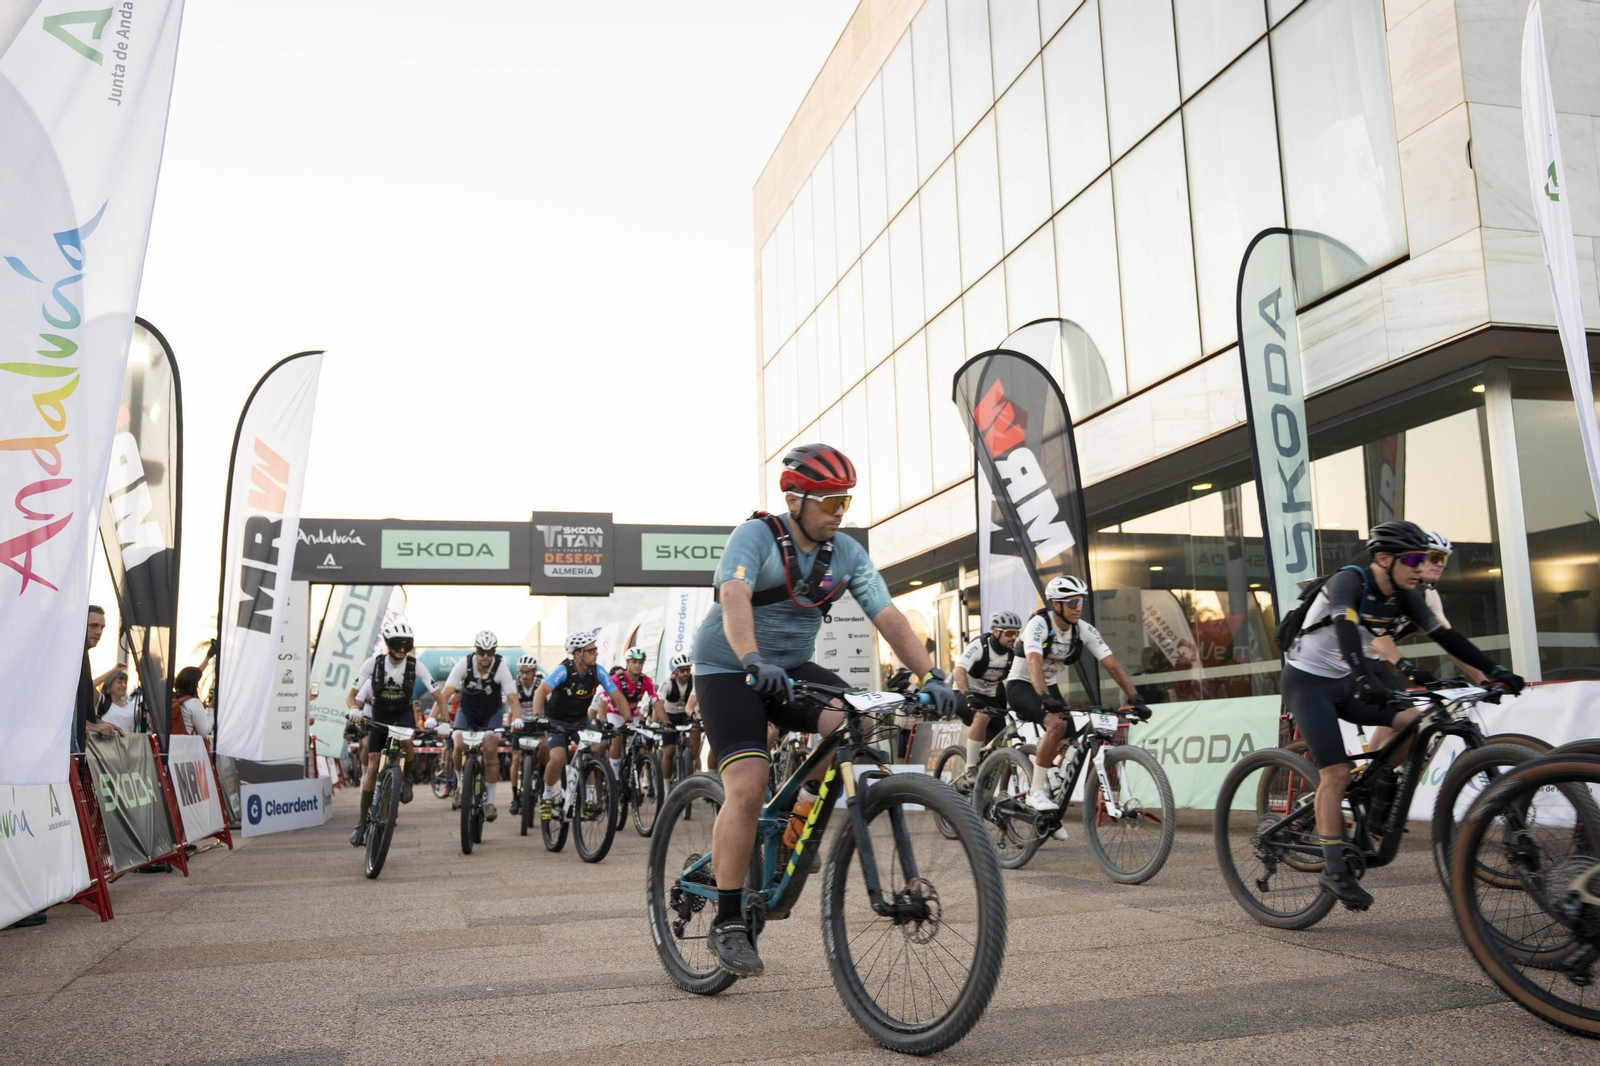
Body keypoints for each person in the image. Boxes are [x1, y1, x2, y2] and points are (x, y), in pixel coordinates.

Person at [693, 443, 959, 977]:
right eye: (830, 503)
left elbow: (888, 615)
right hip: (728, 668)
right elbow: (735, 598)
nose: (839, 513)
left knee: (858, 720)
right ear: (795, 499)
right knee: (747, 784)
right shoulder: (757, 537)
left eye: (846, 502)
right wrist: (749, 656)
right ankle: (725, 921)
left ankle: (797, 824)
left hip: (789, 668)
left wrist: (933, 676)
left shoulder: (846, 554)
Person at [1281, 519, 1524, 910]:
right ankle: (1334, 868)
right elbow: (1345, 629)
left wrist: (1496, 670)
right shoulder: (1349, 581)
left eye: (1424, 558)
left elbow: (1448, 638)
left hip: (1349, 679)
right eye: (1412, 558)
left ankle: (1373, 786)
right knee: (1336, 773)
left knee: (1415, 723)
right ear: (1383, 557)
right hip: (1309, 683)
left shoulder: (1407, 594)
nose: (1420, 565)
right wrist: (1364, 678)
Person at [1008, 576, 1146, 818]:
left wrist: (1136, 698)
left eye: (1081, 601)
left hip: (1048, 687)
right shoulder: (1039, 624)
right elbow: (1033, 661)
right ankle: (1036, 791)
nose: (1078, 607)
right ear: (1056, 604)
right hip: (1022, 685)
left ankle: (1053, 783)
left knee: (1072, 736)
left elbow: (1112, 665)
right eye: (1072, 602)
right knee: (1056, 725)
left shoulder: (1083, 630)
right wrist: (1042, 695)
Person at [346, 621, 449, 846]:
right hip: (380, 716)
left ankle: (407, 780)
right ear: (388, 644)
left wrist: (444, 721)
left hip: (403, 714)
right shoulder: (373, 663)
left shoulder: (416, 666)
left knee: (409, 745)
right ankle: (362, 823)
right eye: (397, 644)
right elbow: (351, 694)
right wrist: (354, 709)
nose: (402, 650)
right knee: (373, 765)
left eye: (406, 645)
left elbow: (440, 697)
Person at [530, 631, 630, 820]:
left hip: (579, 720)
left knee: (592, 751)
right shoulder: (564, 670)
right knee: (558, 758)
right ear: (577, 654)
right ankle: (547, 796)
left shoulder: (597, 671)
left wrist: (628, 720)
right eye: (590, 650)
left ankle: (590, 800)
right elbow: (541, 691)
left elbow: (617, 696)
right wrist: (537, 716)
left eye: (595, 649)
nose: (596, 653)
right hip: (556, 720)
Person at [442, 631, 520, 822]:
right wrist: (439, 720)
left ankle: (490, 802)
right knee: (459, 745)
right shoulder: (464, 664)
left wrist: (517, 718)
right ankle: (461, 784)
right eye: (481, 652)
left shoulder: (501, 667)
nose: (485, 656)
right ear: (476, 651)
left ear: (494, 652)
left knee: (491, 749)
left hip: (491, 714)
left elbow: (513, 699)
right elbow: (444, 694)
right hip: (467, 712)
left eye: (490, 652)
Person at [951, 611, 1022, 781]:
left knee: (999, 743)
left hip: (990, 695)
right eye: (1010, 633)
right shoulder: (979, 646)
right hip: (963, 692)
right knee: (981, 718)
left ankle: (985, 788)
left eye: (1016, 633)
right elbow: (959, 671)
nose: (1014, 638)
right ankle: (970, 767)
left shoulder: (1012, 653)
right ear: (996, 632)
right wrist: (968, 695)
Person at [606, 646, 656, 780]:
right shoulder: (616, 679)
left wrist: (665, 721)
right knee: (617, 738)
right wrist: (604, 722)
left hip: (632, 715)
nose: (638, 665)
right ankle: (615, 777)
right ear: (627, 663)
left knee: (640, 743)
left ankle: (639, 774)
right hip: (614, 714)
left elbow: (656, 702)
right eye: (634, 662)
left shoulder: (646, 681)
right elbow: (602, 702)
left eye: (641, 663)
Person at [655, 652, 699, 784]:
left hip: (685, 714)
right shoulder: (667, 682)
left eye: (688, 670)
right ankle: (666, 787)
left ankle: (692, 761)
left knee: (695, 731)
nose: (686, 673)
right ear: (676, 671)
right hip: (669, 715)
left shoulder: (694, 680)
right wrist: (663, 722)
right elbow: (659, 704)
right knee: (669, 751)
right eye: (682, 670)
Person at [508, 656, 542, 816]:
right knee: (515, 758)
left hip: (538, 723)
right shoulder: (514, 685)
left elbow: (549, 705)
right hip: (520, 723)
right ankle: (515, 797)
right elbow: (511, 708)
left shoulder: (542, 683)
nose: (525, 676)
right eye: (522, 672)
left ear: (534, 672)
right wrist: (511, 724)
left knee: (544, 750)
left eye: (528, 672)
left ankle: (541, 780)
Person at [170, 666, 212, 737]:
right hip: (188, 745)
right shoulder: (194, 703)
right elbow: (205, 731)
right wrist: (211, 709)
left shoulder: (172, 700)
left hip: (172, 745)